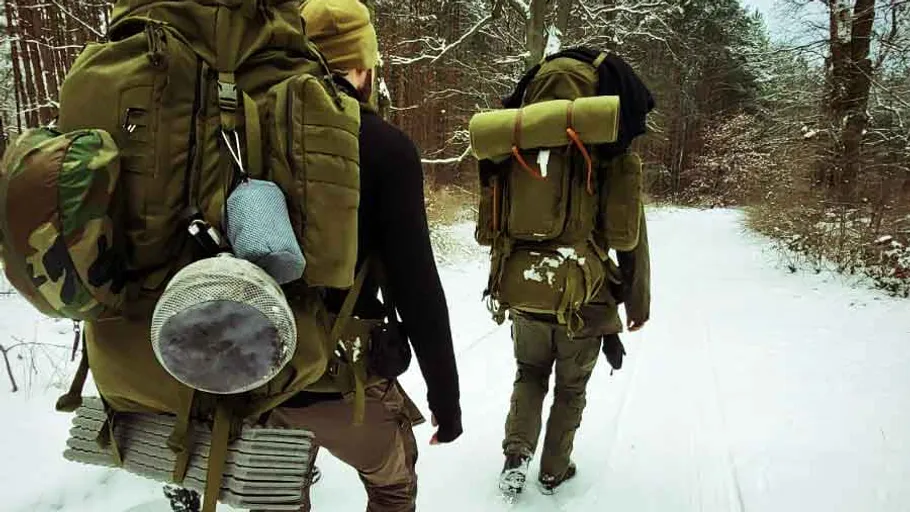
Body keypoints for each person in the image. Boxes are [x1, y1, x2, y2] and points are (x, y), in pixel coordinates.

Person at [261, 1, 463, 510]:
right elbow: (415, 287)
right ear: (363, 67)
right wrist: (445, 399)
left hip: (253, 370)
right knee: (394, 485)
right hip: (343, 378)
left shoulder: (244, 128)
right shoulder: (383, 146)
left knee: (276, 497)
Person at [498, 50, 653, 495]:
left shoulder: (517, 141)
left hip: (526, 288)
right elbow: (630, 239)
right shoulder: (611, 151)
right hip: (584, 299)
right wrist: (636, 304)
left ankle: (515, 454)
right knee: (570, 389)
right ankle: (553, 469)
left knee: (528, 374)